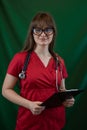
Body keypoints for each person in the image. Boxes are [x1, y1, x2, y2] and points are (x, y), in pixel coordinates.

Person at [2, 12, 75, 130]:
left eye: (48, 30)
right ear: (32, 33)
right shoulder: (20, 59)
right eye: (38, 30)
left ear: (53, 33)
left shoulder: (59, 61)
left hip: (55, 121)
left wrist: (67, 99)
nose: (43, 34)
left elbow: (62, 90)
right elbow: (5, 90)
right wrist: (29, 104)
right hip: (29, 121)